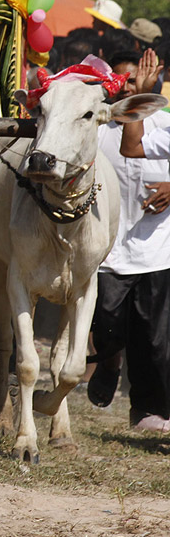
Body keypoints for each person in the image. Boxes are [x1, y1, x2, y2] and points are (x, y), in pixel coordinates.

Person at [103, 48, 170, 432]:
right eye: (123, 81)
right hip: (109, 248)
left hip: (157, 246)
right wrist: (137, 103)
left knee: (156, 341)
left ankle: (149, 409)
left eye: (135, 81)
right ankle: (109, 364)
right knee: (107, 330)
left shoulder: (164, 123)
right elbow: (131, 147)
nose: (128, 86)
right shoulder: (96, 127)